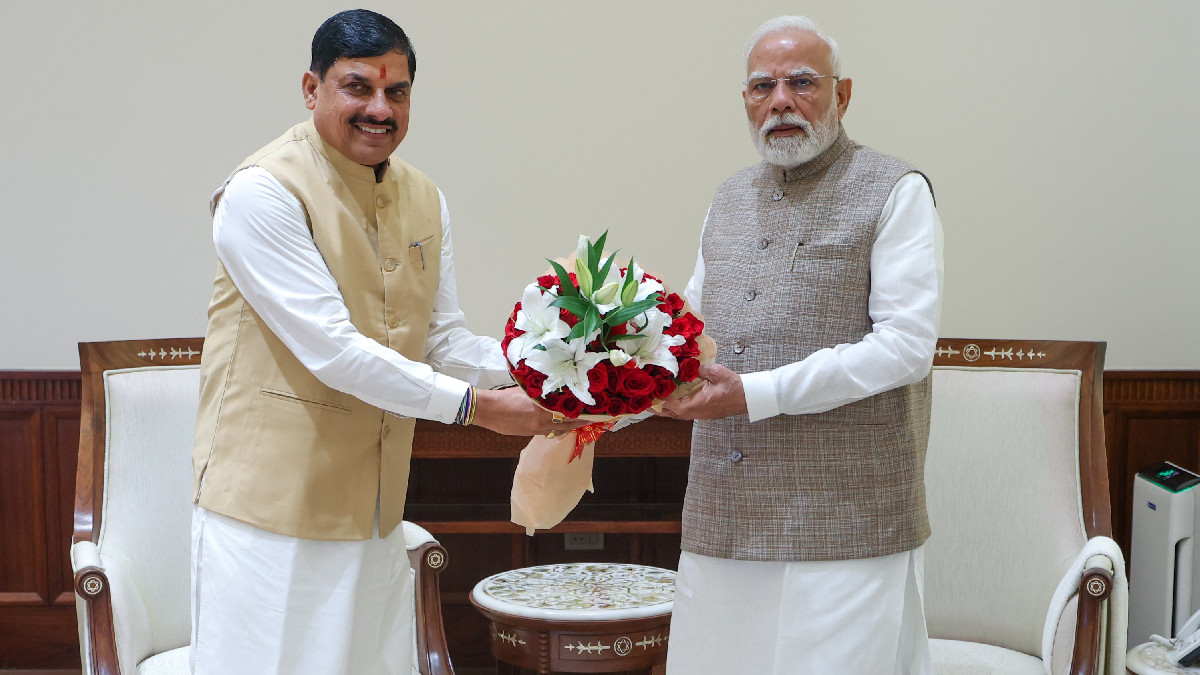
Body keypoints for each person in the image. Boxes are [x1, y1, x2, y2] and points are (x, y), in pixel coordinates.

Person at [189, 10, 582, 674]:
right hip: (268, 512)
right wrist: (480, 408)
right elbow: (335, 350)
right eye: (358, 87)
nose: (380, 108)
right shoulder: (262, 192)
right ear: (311, 88)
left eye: (396, 92)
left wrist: (563, 365)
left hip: (375, 507)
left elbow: (441, 339)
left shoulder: (423, 196)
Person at [659, 15, 944, 675]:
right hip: (724, 514)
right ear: (746, 101)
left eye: (802, 83)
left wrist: (755, 394)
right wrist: (609, 369)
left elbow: (906, 346)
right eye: (763, 86)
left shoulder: (895, 189)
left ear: (842, 94)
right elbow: (689, 328)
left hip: (845, 522)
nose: (780, 100)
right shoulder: (728, 198)